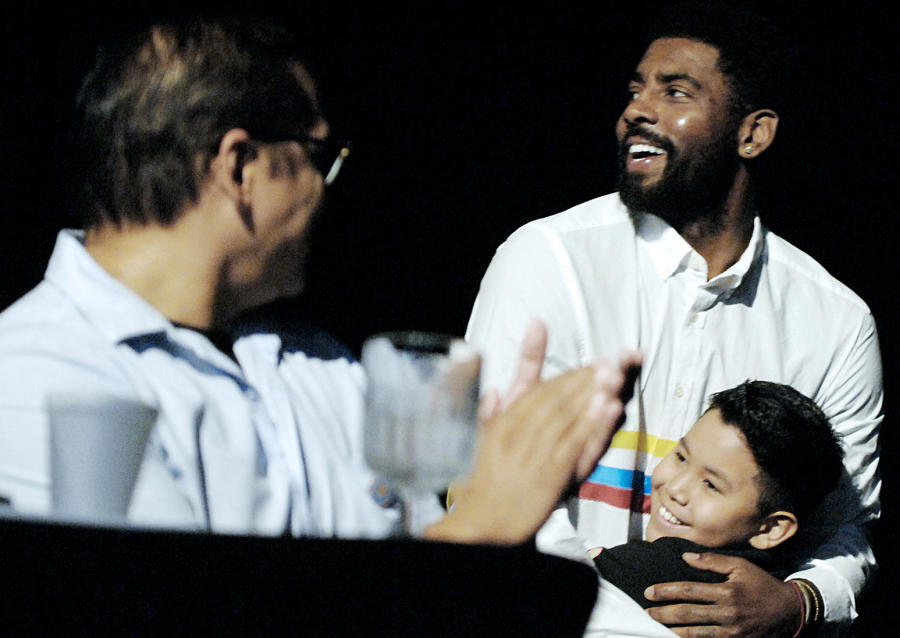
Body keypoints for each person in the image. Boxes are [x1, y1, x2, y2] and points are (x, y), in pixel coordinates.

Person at [0, 14, 637, 548]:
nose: (327, 193)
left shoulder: (325, 372)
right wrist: (479, 531)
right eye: (319, 158)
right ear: (241, 167)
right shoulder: (37, 372)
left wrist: (502, 480)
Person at [465, 1, 882, 638]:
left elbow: (847, 533)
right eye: (635, 90)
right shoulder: (548, 260)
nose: (637, 109)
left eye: (675, 90)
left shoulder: (834, 320)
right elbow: (486, 493)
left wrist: (795, 603)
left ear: (754, 133)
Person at [592, 380, 844, 638]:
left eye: (711, 484)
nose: (676, 488)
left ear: (771, 529)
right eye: (680, 457)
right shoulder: (773, 593)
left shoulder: (651, 570)